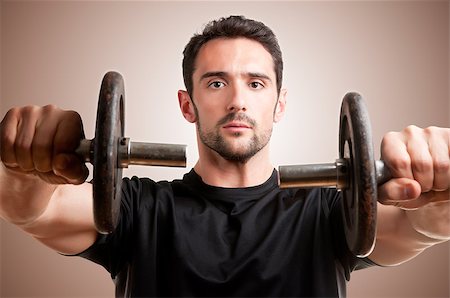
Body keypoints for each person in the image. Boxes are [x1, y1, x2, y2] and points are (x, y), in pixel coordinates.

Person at [0, 15, 449, 297]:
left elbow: (419, 226)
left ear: (280, 103)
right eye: (216, 83)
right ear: (187, 103)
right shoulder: (138, 208)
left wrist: (440, 193)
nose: (238, 101)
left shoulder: (329, 212)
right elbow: (36, 208)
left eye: (256, 84)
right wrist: (26, 164)